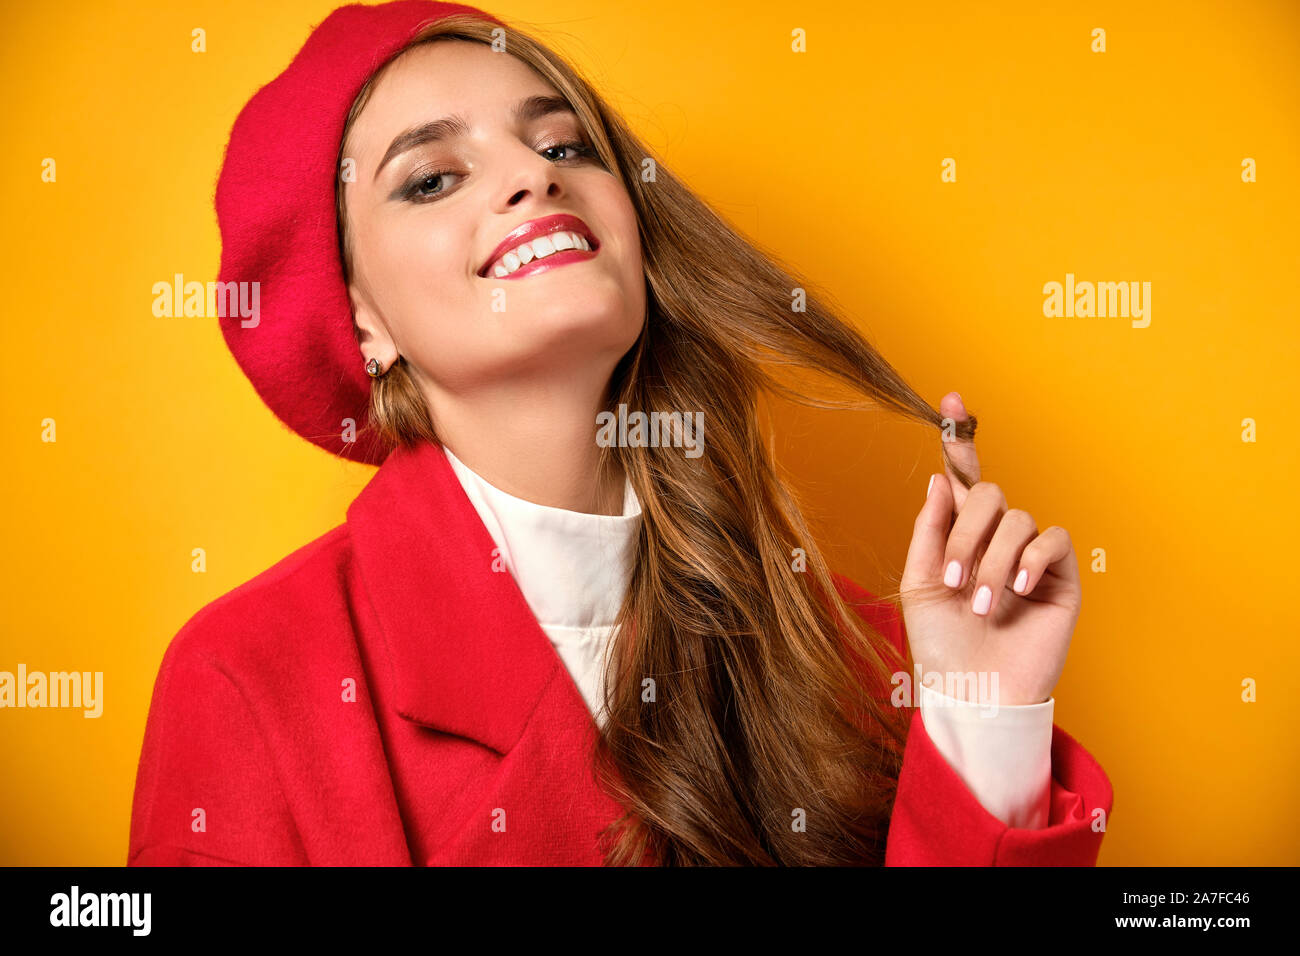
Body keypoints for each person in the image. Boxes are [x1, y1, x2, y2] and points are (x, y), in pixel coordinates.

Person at [128, 0, 1112, 866]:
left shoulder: (861, 651)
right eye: (430, 178)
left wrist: (983, 721)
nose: (529, 176)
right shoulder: (252, 675)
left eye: (564, 147)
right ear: (361, 323)